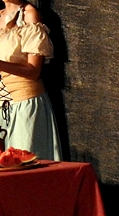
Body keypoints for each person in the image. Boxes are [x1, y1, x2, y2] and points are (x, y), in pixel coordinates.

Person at [0, 0, 61, 160]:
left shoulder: (30, 15)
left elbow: (34, 71)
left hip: (24, 106)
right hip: (3, 107)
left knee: (25, 170)